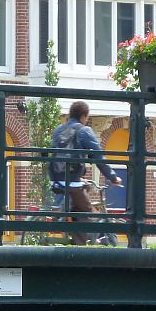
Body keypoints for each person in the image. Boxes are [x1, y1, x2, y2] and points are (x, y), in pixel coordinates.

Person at [48, 101, 122, 245]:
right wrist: (113, 177)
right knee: (88, 212)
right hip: (72, 180)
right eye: (87, 117)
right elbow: (99, 156)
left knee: (84, 190)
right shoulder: (84, 131)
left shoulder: (58, 130)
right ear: (83, 116)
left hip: (55, 178)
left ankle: (68, 217)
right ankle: (81, 245)